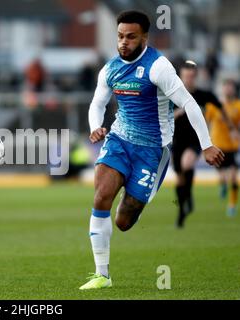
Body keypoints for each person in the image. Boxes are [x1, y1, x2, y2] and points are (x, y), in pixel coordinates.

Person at [81, 10, 224, 290]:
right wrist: (96, 126)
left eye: (131, 37)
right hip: (119, 139)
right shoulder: (109, 69)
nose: (123, 42)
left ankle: (137, 196)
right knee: (101, 197)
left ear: (144, 37)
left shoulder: (158, 67)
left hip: (152, 150)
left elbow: (190, 104)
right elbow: (97, 103)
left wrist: (206, 145)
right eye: (120, 36)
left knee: (123, 221)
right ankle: (102, 275)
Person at [172, 61, 236, 227]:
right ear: (181, 76)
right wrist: (179, 112)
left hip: (194, 141)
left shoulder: (203, 95)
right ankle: (183, 209)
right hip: (176, 141)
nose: (189, 80)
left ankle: (187, 199)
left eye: (192, 77)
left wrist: (231, 128)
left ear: (196, 77)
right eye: (186, 76)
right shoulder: (172, 95)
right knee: (179, 179)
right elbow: (163, 117)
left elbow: (221, 108)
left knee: (187, 164)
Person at [205, 79, 240, 216]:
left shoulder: (238, 105)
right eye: (226, 87)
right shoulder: (213, 106)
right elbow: (206, 121)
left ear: (234, 89)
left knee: (233, 177)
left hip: (231, 146)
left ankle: (232, 205)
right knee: (223, 177)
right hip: (217, 146)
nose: (228, 89)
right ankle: (222, 184)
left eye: (230, 87)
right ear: (222, 89)